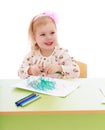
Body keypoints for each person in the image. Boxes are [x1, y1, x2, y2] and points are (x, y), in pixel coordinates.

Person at [18, 11, 80, 79]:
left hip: (58, 89)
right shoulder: (32, 55)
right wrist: (30, 70)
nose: (49, 37)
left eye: (52, 33)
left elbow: (76, 72)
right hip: (38, 89)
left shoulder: (61, 54)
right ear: (34, 38)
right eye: (43, 34)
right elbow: (20, 73)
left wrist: (60, 68)